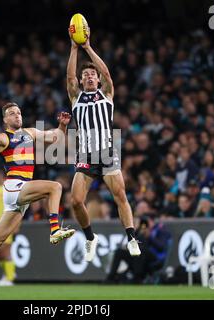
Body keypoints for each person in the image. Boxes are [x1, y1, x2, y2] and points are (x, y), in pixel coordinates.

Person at [0, 102, 75, 295]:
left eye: (18, 112)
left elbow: (55, 137)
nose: (17, 115)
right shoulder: (3, 137)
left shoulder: (30, 132)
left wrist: (63, 126)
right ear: (5, 120)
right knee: (55, 186)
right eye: (11, 113)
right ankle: (54, 229)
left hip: (20, 194)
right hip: (15, 187)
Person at [66, 36, 140, 262]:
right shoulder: (76, 97)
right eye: (85, 75)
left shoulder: (106, 94)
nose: (89, 76)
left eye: (92, 74)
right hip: (86, 154)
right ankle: (90, 237)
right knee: (76, 201)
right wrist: (73, 47)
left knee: (120, 196)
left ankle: (131, 238)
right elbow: (69, 77)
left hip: (107, 151)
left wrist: (87, 47)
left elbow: (107, 75)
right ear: (81, 80)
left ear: (97, 79)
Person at [106, 215, 171, 284]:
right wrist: (136, 231)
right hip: (140, 258)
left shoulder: (160, 230)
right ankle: (111, 277)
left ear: (152, 221)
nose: (144, 225)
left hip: (154, 257)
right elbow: (136, 244)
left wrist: (149, 237)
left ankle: (137, 277)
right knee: (120, 252)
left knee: (141, 251)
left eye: (146, 222)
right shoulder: (141, 231)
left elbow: (161, 247)